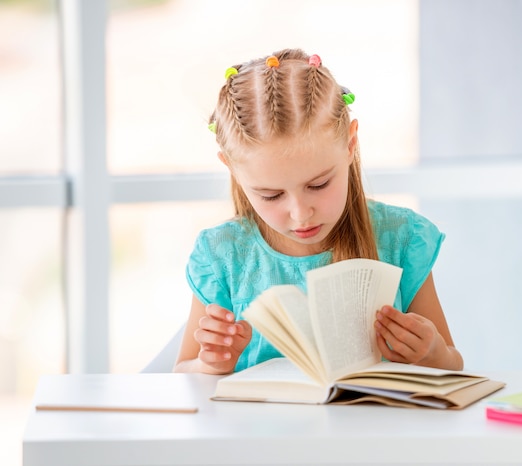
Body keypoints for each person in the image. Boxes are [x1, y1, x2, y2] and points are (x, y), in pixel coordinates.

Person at [174, 48, 463, 375]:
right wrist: (210, 364)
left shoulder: (402, 239)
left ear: (350, 144)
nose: (300, 214)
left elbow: (453, 366)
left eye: (319, 185)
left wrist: (432, 353)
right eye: (271, 195)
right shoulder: (223, 255)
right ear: (232, 170)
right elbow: (183, 371)